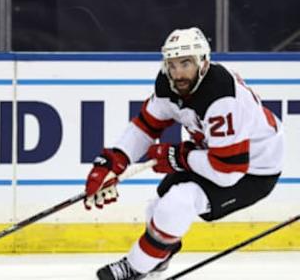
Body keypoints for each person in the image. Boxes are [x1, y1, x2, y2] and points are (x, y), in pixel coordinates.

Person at [84, 27, 284, 280]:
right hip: (217, 155)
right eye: (172, 64)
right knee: (160, 203)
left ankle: (136, 268)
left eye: (186, 63)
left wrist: (179, 157)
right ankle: (156, 261)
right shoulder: (168, 83)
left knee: (177, 202)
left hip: (253, 170)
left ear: (203, 62)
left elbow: (227, 173)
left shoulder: (221, 96)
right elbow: (146, 125)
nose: (178, 73)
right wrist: (114, 161)